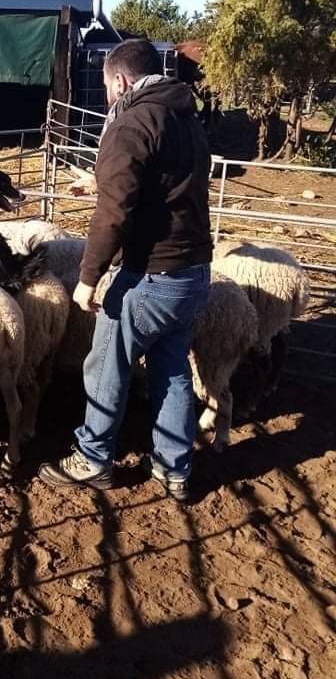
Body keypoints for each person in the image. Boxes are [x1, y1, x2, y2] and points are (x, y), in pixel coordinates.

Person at [38, 39, 212, 502]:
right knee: (172, 367)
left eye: (107, 86)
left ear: (120, 79)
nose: (108, 96)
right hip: (194, 271)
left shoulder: (132, 121)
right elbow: (162, 184)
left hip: (152, 273)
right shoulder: (186, 117)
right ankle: (174, 469)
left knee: (105, 364)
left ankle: (93, 457)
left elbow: (114, 211)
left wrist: (89, 276)